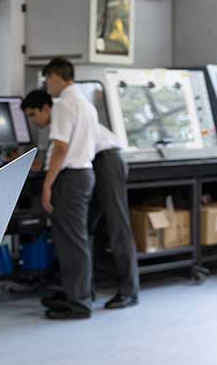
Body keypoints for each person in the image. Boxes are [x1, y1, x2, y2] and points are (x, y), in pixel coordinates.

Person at [22, 89, 140, 310]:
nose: (33, 122)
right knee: (84, 229)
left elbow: (62, 149)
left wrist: (47, 180)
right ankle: (83, 291)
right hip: (92, 163)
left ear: (45, 108)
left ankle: (129, 291)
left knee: (117, 225)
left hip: (106, 159)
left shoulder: (62, 109)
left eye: (32, 115)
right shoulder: (62, 112)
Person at [21, 58, 99, 320]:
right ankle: (76, 294)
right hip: (84, 173)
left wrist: (47, 183)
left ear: (55, 77)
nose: (47, 86)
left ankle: (78, 303)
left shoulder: (64, 103)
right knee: (76, 240)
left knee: (72, 243)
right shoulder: (85, 102)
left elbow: (62, 147)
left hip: (71, 178)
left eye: (47, 80)